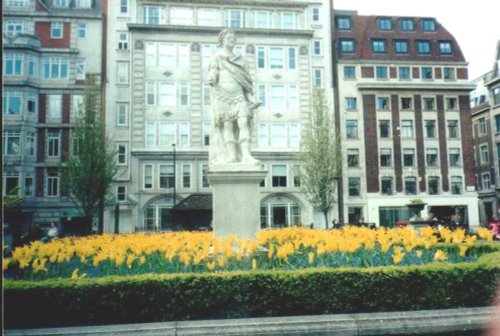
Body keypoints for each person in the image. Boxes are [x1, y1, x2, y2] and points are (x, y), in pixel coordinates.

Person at [208, 28, 260, 164]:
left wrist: (251, 98)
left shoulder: (241, 60)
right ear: (222, 41)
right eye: (228, 38)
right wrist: (212, 78)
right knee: (228, 126)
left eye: (233, 38)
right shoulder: (217, 58)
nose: (232, 40)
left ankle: (246, 155)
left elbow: (245, 82)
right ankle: (231, 156)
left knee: (243, 124)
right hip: (222, 96)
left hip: (239, 96)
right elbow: (213, 72)